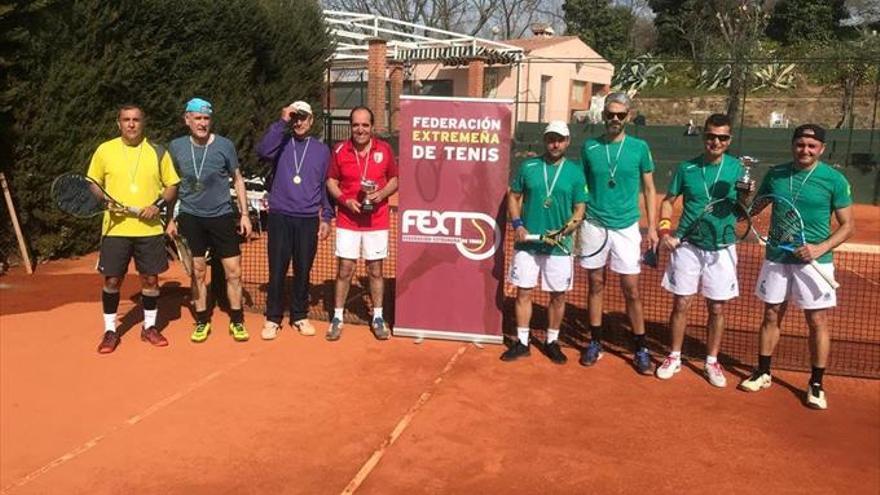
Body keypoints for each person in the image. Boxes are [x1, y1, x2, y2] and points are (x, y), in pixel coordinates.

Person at [739, 124, 854, 410]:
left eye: (811, 146)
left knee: (817, 321)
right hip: (778, 257)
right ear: (793, 145)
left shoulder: (834, 180)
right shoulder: (776, 174)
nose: (805, 150)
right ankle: (763, 372)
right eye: (800, 144)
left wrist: (820, 248)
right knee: (771, 315)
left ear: (821, 149)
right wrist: (744, 195)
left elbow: (848, 226)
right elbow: (752, 211)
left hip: (815, 261)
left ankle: (816, 383)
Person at [655, 113, 750, 387]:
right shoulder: (687, 168)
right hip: (688, 246)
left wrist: (745, 195)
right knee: (681, 303)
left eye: (722, 137)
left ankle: (711, 360)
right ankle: (674, 356)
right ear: (704, 136)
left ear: (729, 140)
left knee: (717, 308)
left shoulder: (737, 169)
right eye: (711, 136)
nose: (716, 141)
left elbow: (744, 212)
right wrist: (664, 230)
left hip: (722, 247)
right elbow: (668, 201)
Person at [577, 92, 658, 375]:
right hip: (594, 225)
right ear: (603, 116)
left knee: (631, 289)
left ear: (629, 116)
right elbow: (582, 186)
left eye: (620, 115)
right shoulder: (589, 147)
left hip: (627, 227)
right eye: (610, 114)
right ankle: (595, 342)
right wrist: (578, 218)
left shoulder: (639, 148)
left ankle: (641, 347)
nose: (614, 119)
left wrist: (652, 227)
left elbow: (649, 189)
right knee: (595, 283)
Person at [88, 104, 180, 354]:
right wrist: (104, 200)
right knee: (112, 280)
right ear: (118, 123)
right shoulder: (104, 150)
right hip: (115, 229)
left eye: (136, 120)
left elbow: (172, 185)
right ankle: (110, 331)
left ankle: (149, 327)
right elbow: (93, 182)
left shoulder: (158, 151)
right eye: (126, 119)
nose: (131, 124)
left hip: (149, 230)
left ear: (143, 122)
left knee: (150, 280)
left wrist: (157, 205)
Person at [166, 98, 252, 343]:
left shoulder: (225, 145)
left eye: (206, 118)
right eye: (198, 118)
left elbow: (237, 179)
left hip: (222, 216)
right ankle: (202, 320)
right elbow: (171, 185)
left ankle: (237, 320)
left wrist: (244, 214)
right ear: (187, 120)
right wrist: (170, 218)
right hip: (191, 217)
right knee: (198, 272)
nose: (202, 123)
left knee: (234, 272)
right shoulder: (176, 147)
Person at [501, 121, 586, 364]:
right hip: (528, 243)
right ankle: (522, 342)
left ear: (567, 141)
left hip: (559, 247)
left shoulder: (575, 172)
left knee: (558, 296)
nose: (555, 144)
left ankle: (551, 341)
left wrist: (563, 231)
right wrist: (517, 224)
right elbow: (513, 196)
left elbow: (580, 210)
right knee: (523, 292)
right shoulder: (528, 166)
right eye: (551, 139)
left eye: (559, 139)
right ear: (544, 140)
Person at [256, 100, 333, 340]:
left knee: (303, 269)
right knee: (277, 269)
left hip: (308, 218)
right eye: (296, 117)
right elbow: (262, 151)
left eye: (304, 118)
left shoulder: (322, 150)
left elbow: (324, 186)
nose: (299, 122)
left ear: (311, 121)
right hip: (280, 216)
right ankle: (273, 318)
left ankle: (299, 315)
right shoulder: (280, 143)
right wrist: (282, 121)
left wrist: (327, 216)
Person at [326, 106, 398, 341]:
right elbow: (331, 181)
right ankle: (337, 317)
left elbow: (395, 179)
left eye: (365, 125)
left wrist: (381, 194)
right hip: (348, 219)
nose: (360, 129)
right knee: (345, 269)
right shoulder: (339, 150)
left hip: (376, 221)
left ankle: (377, 316)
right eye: (356, 125)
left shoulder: (385, 149)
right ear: (351, 127)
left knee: (375, 270)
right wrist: (345, 201)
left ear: (372, 127)